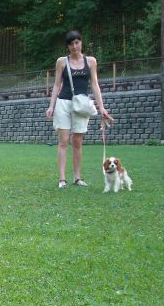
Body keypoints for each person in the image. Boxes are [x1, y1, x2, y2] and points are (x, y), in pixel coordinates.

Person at [46, 30, 114, 188]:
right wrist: (51, 105)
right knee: (63, 141)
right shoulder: (62, 62)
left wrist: (101, 107)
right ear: (68, 46)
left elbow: (95, 84)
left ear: (81, 43)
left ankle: (77, 178)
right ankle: (62, 179)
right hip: (64, 102)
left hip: (81, 104)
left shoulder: (90, 61)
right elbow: (57, 84)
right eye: (71, 44)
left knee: (77, 142)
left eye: (77, 42)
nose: (74, 46)